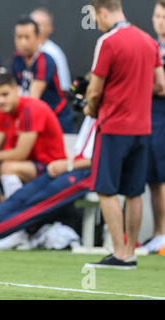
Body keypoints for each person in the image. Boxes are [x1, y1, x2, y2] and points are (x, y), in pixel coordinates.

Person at [84, 0, 165, 269]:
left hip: (114, 127)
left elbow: (94, 92)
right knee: (134, 191)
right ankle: (130, 251)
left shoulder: (108, 42)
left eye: (96, 17)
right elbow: (160, 84)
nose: (96, 23)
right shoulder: (148, 41)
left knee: (106, 190)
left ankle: (120, 253)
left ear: (103, 12)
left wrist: (91, 109)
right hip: (143, 128)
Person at [0, 116, 96, 249]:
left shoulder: (106, 116)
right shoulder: (91, 115)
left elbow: (101, 159)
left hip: (85, 172)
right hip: (70, 167)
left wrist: (69, 165)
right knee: (21, 195)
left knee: (37, 203)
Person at [0, 73, 67, 199]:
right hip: (27, 164)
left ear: (17, 90)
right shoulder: (2, 111)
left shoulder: (31, 108)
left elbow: (21, 153)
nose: (1, 100)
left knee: (7, 167)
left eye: (5, 94)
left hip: (52, 167)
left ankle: (15, 214)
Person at [12, 16, 75, 134]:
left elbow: (33, 98)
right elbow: (16, 89)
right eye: (19, 37)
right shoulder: (16, 59)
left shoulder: (45, 60)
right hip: (34, 118)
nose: (23, 42)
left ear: (38, 38)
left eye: (27, 37)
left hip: (56, 119)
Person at [141, 0, 165, 254]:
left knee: (161, 178)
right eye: (157, 15)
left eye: (164, 16)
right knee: (155, 179)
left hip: (162, 116)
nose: (160, 21)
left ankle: (163, 233)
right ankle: (158, 233)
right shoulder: (152, 45)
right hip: (150, 118)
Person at [30, 8, 72, 93]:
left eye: (38, 24)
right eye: (32, 24)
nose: (34, 28)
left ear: (50, 28)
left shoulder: (54, 53)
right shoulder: (21, 53)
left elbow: (64, 87)